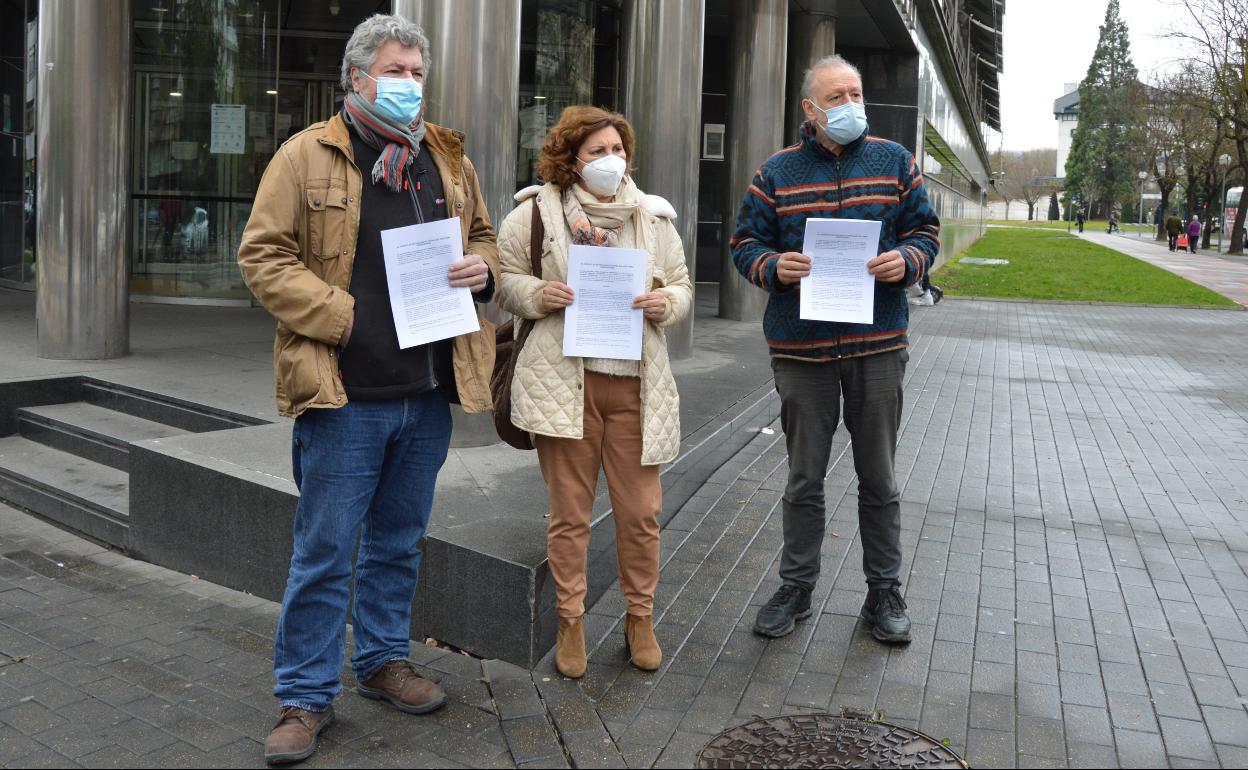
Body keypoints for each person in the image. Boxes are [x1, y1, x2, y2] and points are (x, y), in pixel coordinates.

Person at [236, 14, 499, 765]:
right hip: (345, 394)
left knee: (398, 543)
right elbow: (262, 257)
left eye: (418, 72)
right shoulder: (306, 156)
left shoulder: (444, 158)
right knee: (323, 552)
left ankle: (382, 660)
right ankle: (303, 697)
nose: (410, 85)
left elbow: (480, 235)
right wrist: (341, 316)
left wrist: (481, 267)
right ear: (357, 78)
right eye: (396, 70)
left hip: (425, 393)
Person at [731, 55, 940, 645]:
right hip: (802, 350)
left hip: (877, 346)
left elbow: (925, 232)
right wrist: (774, 266)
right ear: (811, 109)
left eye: (855, 92)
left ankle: (884, 591)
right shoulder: (777, 172)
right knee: (803, 479)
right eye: (836, 95)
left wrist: (909, 262)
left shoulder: (896, 162)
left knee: (879, 479)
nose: (849, 103)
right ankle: (796, 586)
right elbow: (744, 243)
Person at [495, 106, 692, 679]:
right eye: (597, 152)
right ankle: (571, 620)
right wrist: (539, 294)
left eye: (618, 149)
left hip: (635, 387)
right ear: (571, 161)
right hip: (564, 383)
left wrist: (668, 304)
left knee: (640, 514)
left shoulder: (653, 218)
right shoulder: (534, 213)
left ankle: (639, 617)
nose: (612, 160)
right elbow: (505, 280)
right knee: (570, 516)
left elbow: (679, 284)